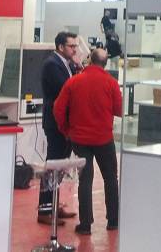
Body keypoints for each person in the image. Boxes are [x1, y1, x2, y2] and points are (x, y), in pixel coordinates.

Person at [54, 48, 122, 235]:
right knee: (110, 178)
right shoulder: (111, 83)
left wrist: (66, 130)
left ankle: (85, 224)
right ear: (105, 64)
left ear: (90, 59)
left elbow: (58, 109)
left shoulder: (74, 81)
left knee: (85, 180)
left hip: (80, 139)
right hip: (104, 139)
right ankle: (113, 220)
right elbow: (118, 109)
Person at [37, 32, 81, 225]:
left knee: (61, 165)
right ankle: (45, 209)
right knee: (53, 164)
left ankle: (53, 204)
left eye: (75, 46)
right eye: (72, 46)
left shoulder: (66, 64)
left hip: (64, 123)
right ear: (61, 47)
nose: (75, 50)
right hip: (55, 123)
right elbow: (66, 89)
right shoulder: (52, 64)